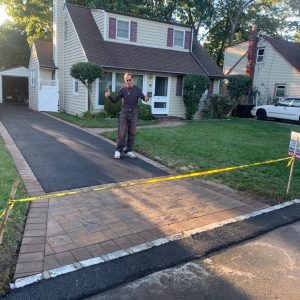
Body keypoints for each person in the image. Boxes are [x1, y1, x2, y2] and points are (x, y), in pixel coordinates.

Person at [105, 73, 149, 159]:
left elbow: (144, 98)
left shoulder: (137, 89)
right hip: (124, 113)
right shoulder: (122, 90)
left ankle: (128, 150)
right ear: (124, 80)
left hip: (134, 113)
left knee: (132, 133)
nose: (128, 82)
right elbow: (114, 100)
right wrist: (109, 96)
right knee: (121, 132)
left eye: (129, 80)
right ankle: (118, 150)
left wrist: (147, 98)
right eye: (126, 80)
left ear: (133, 79)